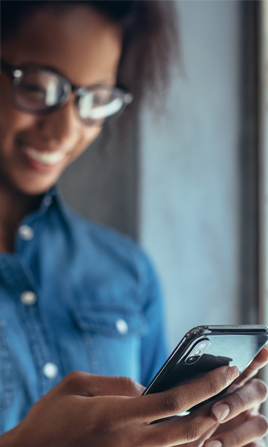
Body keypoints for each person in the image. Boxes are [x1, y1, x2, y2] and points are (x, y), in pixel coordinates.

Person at [0, 1, 267, 446]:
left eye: (94, 100)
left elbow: (149, 435)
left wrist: (194, 433)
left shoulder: (127, 271)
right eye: (39, 87)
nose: (66, 131)